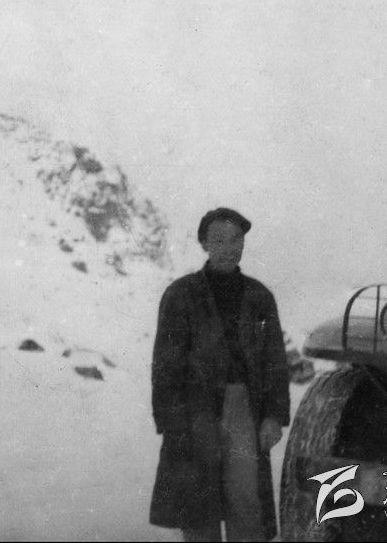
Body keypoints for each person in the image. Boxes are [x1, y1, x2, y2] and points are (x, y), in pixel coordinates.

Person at [149, 207, 290, 542]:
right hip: (194, 411)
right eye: (219, 240)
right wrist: (172, 422)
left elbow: (274, 361)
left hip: (244, 408)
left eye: (236, 239)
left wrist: (273, 416)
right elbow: (165, 365)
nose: (229, 248)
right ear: (204, 244)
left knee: (246, 501)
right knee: (198, 508)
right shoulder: (181, 295)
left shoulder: (259, 297)